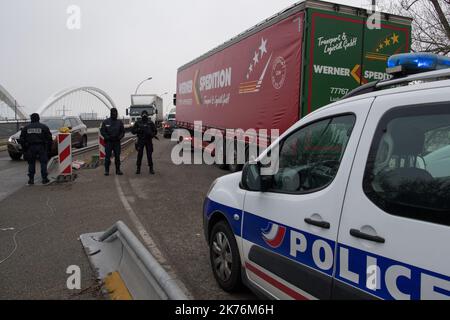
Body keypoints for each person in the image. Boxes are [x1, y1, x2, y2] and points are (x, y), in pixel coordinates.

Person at [19, 113, 53, 185]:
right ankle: (44, 179)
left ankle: (31, 179)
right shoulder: (44, 127)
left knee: (31, 163)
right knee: (43, 163)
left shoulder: (26, 128)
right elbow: (50, 139)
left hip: (30, 147)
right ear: (38, 118)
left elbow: (21, 139)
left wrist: (25, 149)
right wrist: (48, 149)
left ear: (31, 119)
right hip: (41, 147)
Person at [131, 110, 158, 174]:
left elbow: (155, 131)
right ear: (141, 115)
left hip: (148, 140)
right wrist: (139, 130)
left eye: (145, 114)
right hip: (140, 140)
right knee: (139, 155)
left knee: (149, 155)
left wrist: (151, 134)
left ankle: (151, 168)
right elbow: (133, 131)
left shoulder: (150, 123)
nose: (144, 115)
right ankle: (138, 169)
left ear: (147, 115)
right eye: (143, 114)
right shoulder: (138, 122)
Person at [100, 108, 125, 176]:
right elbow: (102, 131)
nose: (115, 114)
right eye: (113, 113)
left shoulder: (119, 122)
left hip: (117, 142)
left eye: (116, 113)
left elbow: (122, 132)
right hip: (109, 142)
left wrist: (119, 137)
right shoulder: (106, 122)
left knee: (117, 156)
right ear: (111, 113)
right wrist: (107, 137)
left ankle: (118, 170)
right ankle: (106, 170)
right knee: (107, 157)